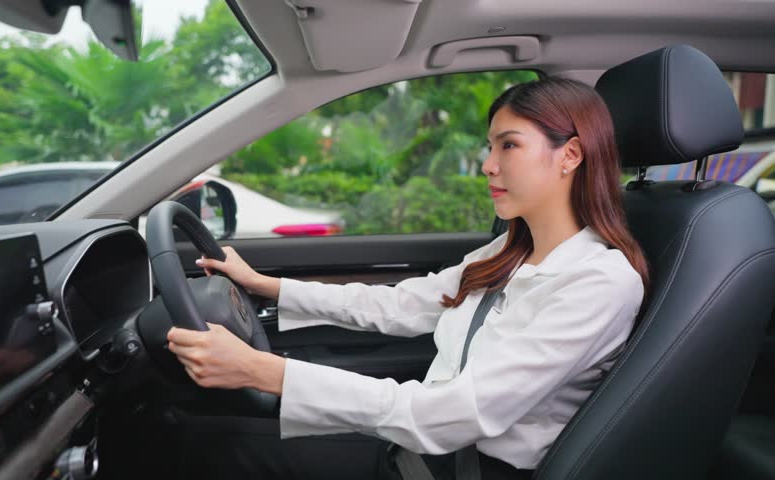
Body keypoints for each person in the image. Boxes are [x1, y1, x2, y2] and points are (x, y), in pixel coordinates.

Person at [165, 77, 651, 480]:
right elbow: (399, 305)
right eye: (490, 147)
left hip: (464, 467)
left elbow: (452, 415)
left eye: (509, 145)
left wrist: (262, 371)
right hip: (422, 453)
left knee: (213, 450)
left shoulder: (599, 283)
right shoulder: (508, 251)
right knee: (209, 441)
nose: (488, 165)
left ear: (570, 155)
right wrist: (267, 285)